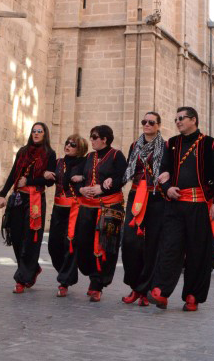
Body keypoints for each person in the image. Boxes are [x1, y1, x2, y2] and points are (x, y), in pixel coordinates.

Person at [148, 106, 214, 312]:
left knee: (197, 252)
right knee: (169, 248)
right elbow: (162, 170)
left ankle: (193, 295)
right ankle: (161, 291)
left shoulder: (209, 143)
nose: (178, 122)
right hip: (175, 205)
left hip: (199, 206)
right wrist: (167, 187)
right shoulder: (172, 143)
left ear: (193, 120)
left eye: (181, 118)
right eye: (176, 119)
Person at [0, 123, 56, 293]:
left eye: (40, 131)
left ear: (45, 134)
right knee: (16, 236)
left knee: (31, 238)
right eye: (34, 131)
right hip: (18, 198)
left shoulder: (49, 153)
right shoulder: (23, 151)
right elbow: (13, 174)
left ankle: (21, 279)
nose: (36, 134)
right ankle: (31, 268)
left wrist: (29, 181)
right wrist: (2, 194)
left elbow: (49, 182)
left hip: (35, 199)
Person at [73, 125, 127, 303]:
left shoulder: (116, 155)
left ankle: (97, 284)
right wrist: (81, 189)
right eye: (91, 136)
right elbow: (75, 174)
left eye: (95, 137)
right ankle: (92, 275)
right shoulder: (89, 157)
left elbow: (122, 177)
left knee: (105, 247)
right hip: (88, 207)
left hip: (109, 208)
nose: (91, 140)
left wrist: (103, 187)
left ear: (104, 139)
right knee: (82, 244)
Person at [121, 111, 166, 306]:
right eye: (144, 121)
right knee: (130, 241)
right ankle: (134, 286)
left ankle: (145, 289)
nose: (147, 124)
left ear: (158, 125)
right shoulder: (134, 145)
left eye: (151, 122)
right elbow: (128, 169)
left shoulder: (165, 147)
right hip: (135, 195)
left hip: (156, 196)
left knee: (152, 244)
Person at [46, 133, 88, 297]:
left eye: (72, 144)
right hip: (58, 208)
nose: (68, 146)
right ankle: (67, 273)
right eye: (67, 143)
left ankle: (64, 281)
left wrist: (83, 176)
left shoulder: (84, 163)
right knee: (53, 245)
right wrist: (46, 175)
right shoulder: (58, 162)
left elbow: (93, 177)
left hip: (75, 209)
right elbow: (49, 181)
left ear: (80, 149)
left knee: (69, 244)